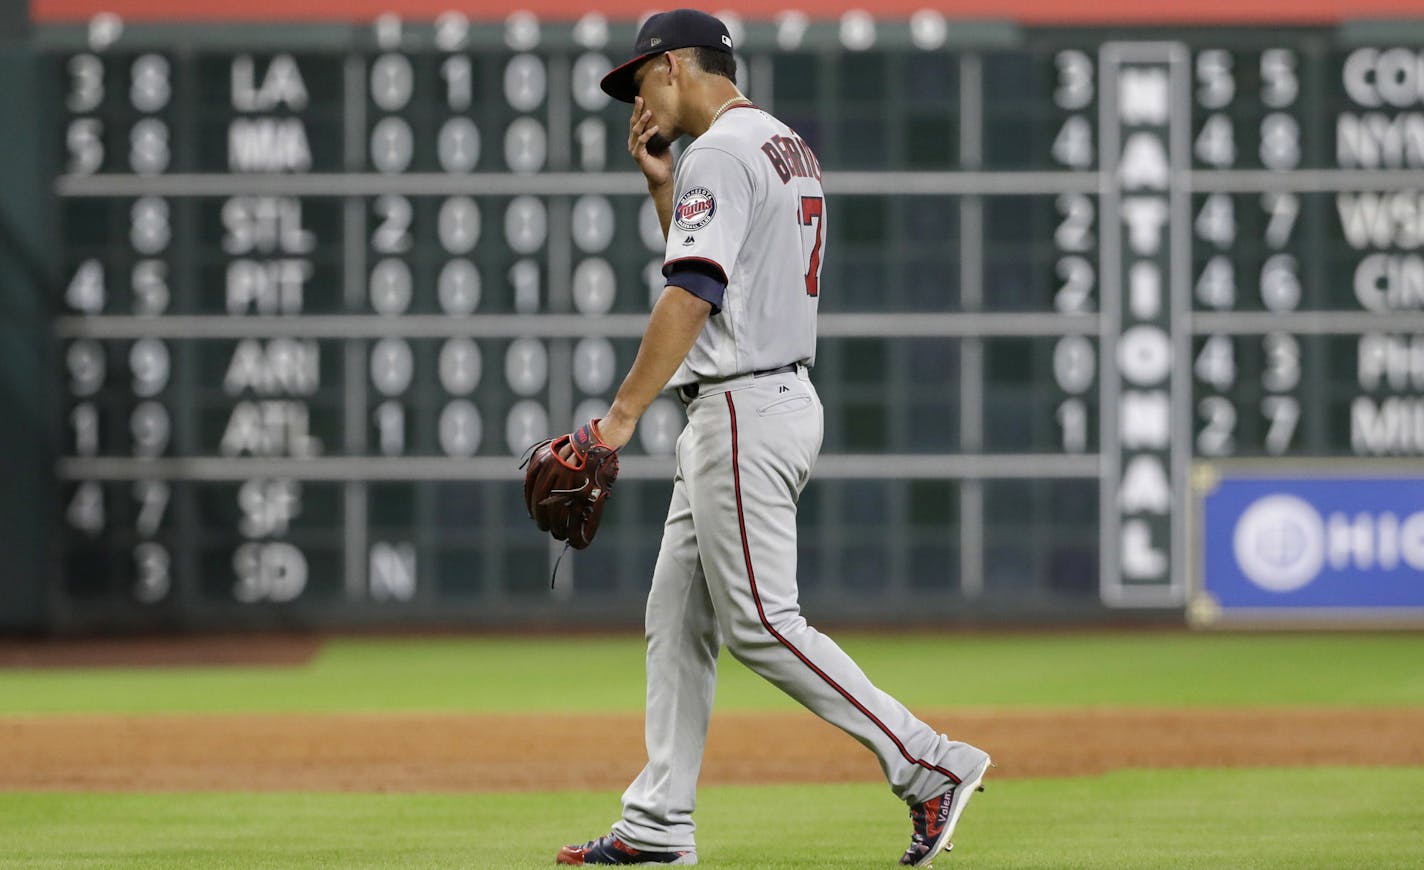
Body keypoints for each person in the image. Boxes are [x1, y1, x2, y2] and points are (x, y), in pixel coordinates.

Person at [555, 9, 991, 867]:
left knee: (759, 622)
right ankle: (656, 824)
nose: (635, 100)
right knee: (676, 619)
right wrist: (659, 190)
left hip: (743, 408)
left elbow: (691, 299)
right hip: (762, 394)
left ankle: (928, 764)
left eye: (640, 79)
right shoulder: (781, 143)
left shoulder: (718, 150)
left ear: (676, 65)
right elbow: (723, 273)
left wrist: (616, 422)